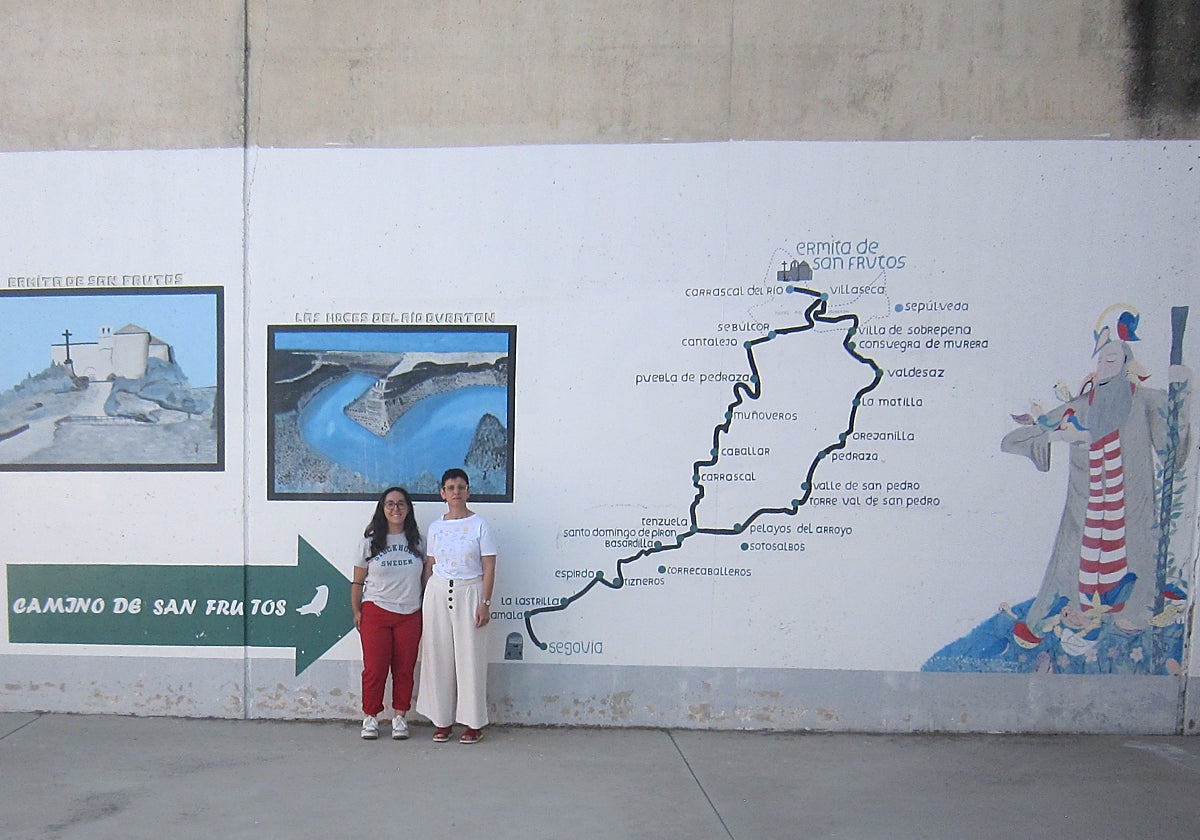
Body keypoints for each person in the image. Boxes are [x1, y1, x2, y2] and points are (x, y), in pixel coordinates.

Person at [1003, 315, 1191, 654]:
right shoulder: (1079, 408)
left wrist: (1182, 394)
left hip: (1131, 513)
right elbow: (1016, 439)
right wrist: (1057, 438)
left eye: (1112, 361)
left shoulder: (1147, 402)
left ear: (1127, 365)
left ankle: (1130, 623)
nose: (1105, 368)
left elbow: (1173, 452)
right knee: (1072, 574)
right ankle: (1057, 626)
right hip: (1085, 516)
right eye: (1101, 361)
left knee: (1135, 589)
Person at [415, 468, 497, 744]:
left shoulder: (480, 525)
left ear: (468, 491)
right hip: (438, 593)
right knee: (437, 656)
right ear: (442, 493)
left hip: (470, 591)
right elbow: (430, 564)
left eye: (461, 487)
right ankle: (442, 721)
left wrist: (485, 603)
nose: (456, 492)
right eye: (450, 487)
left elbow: (489, 566)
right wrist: (424, 597)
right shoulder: (435, 527)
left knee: (470, 659)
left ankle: (473, 723)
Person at [351, 486, 424, 740]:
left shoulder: (418, 542)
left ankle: (400, 717)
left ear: (408, 508)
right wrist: (356, 610)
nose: (396, 508)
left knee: (404, 669)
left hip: (410, 613)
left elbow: (426, 579)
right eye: (390, 504)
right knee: (375, 668)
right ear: (382, 509)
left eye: (401, 503)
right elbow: (357, 582)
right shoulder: (369, 543)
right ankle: (370, 717)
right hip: (376, 611)